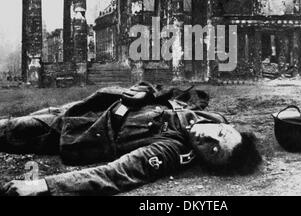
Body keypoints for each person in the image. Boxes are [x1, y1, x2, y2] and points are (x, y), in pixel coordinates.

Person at [0, 82, 262, 196]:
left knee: (8, 128)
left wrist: (44, 186)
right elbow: (174, 94)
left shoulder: (171, 150)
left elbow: (115, 174)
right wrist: (147, 91)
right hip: (86, 107)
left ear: (208, 162)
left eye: (213, 151)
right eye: (220, 133)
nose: (208, 137)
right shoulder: (210, 117)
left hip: (73, 132)